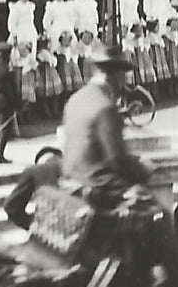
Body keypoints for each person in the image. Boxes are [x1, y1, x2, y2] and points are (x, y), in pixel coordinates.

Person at [59, 43, 154, 200]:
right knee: (157, 211)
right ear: (117, 76)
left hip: (70, 180)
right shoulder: (106, 108)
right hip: (96, 187)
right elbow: (117, 160)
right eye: (124, 76)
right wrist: (143, 169)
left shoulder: (75, 99)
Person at [2, 147, 64, 231]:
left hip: (52, 229)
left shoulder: (34, 171)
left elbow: (10, 206)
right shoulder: (78, 167)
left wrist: (32, 222)